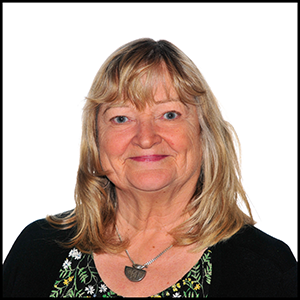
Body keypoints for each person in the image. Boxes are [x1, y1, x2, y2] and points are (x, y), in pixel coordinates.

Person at [3, 38, 297, 298]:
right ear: (96, 139)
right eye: (121, 118)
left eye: (169, 114)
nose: (145, 137)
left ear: (203, 132)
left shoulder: (267, 268)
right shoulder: (36, 249)